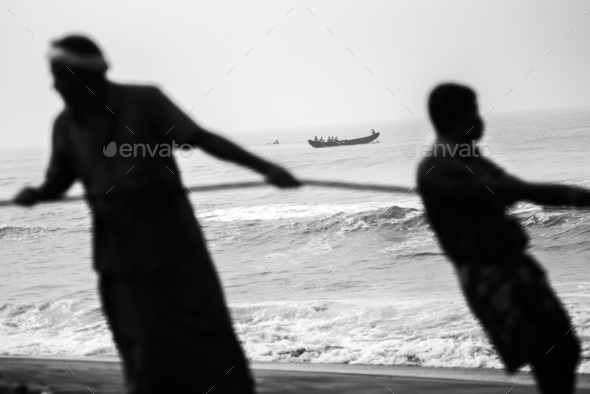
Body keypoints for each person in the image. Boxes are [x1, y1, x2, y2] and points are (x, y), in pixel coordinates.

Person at [14, 35, 300, 394]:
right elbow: (58, 181)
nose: (55, 84)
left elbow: (200, 138)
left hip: (174, 246)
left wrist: (266, 168)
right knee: (140, 340)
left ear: (89, 75)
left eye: (62, 75)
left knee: (205, 329)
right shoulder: (64, 125)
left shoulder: (144, 101)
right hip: (118, 256)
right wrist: (36, 194)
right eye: (54, 75)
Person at [417, 82, 590, 394]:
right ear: (458, 114)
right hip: (489, 275)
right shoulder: (438, 166)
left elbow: (512, 188)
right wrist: (578, 196)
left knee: (566, 349)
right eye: (473, 109)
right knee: (547, 356)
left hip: (515, 267)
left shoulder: (471, 159)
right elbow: (518, 190)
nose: (479, 117)